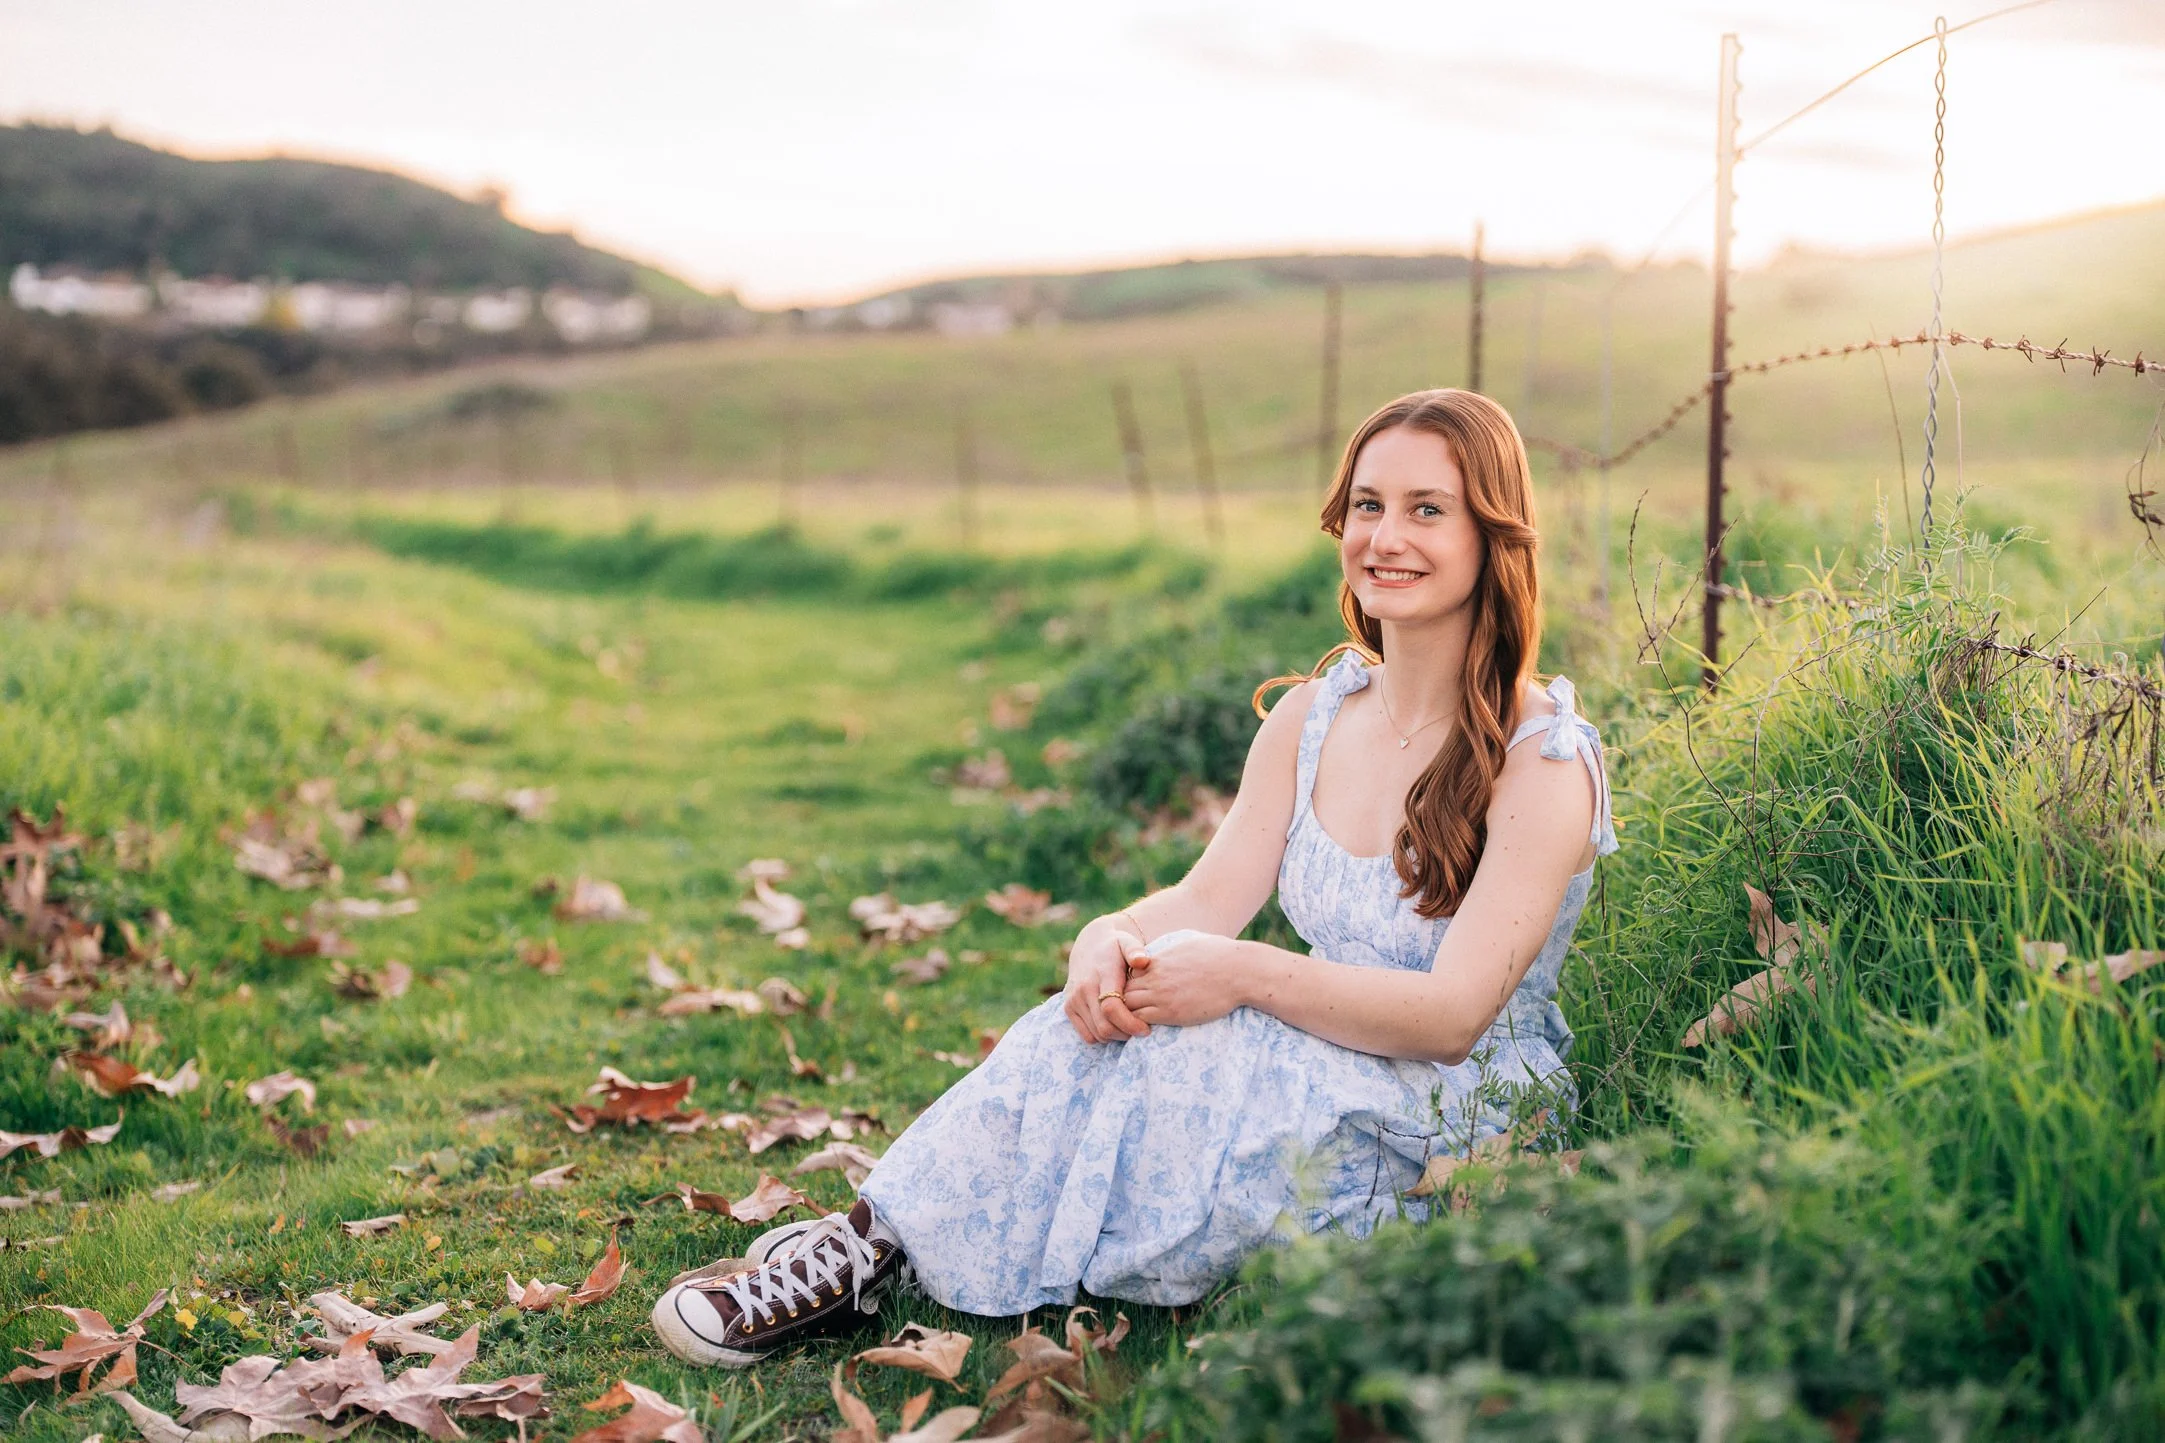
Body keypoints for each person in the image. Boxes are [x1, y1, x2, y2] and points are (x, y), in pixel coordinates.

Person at [651, 388, 1616, 1367]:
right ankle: (869, 1245)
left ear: (1491, 535)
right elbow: (1203, 901)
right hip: (1328, 1051)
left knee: (1193, 1043)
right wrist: (1106, 933)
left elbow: (1452, 1016)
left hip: (1456, 1108)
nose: (1384, 537)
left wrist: (1241, 977)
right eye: (1366, 506)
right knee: (1116, 1013)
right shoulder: (1313, 717)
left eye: (1426, 509)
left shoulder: (1539, 759)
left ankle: (886, 1242)